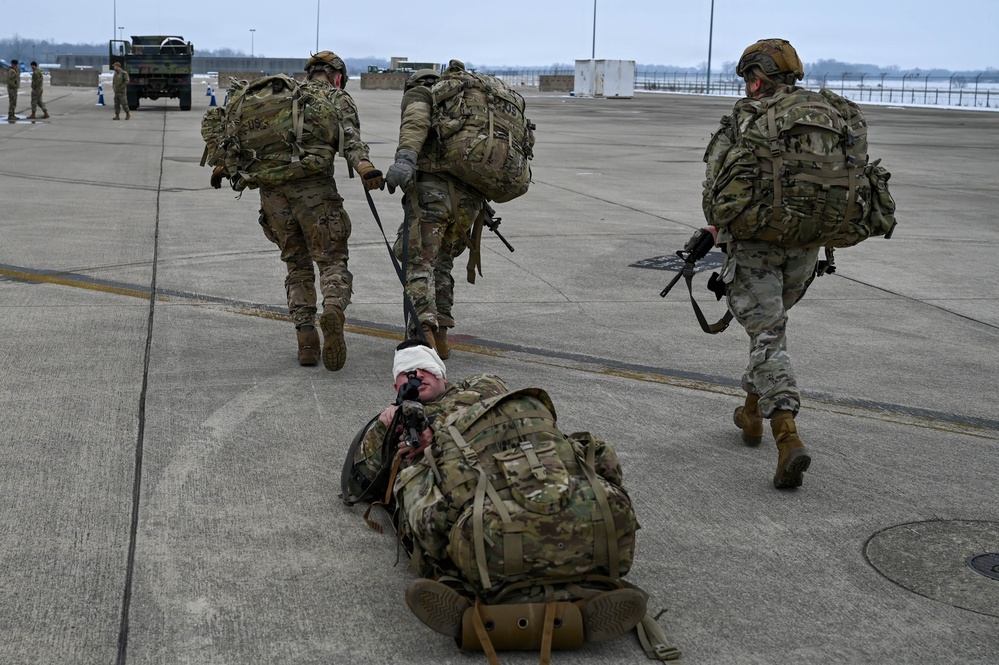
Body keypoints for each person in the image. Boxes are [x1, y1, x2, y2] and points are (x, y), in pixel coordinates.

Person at [343, 341, 654, 657]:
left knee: (590, 461)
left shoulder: (481, 385)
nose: (416, 375)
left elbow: (511, 411)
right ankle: (576, 595)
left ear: (442, 375)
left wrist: (436, 431)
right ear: (395, 385)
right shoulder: (396, 421)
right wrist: (389, 429)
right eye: (405, 374)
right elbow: (357, 484)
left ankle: (482, 605)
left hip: (524, 465)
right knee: (430, 505)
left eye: (424, 368)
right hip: (476, 491)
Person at [212, 51, 383, 370]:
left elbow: (234, 141)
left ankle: (306, 340)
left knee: (296, 263)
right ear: (337, 76)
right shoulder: (336, 97)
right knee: (332, 260)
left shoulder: (285, 98)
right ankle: (332, 309)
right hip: (315, 191)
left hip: (272, 195)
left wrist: (223, 167)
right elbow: (352, 142)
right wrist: (365, 168)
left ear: (309, 73)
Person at [701, 38, 817, 489]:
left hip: (754, 248)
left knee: (768, 335)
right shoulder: (820, 118)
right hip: (806, 249)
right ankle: (749, 415)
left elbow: (716, 190)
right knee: (770, 329)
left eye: (750, 78)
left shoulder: (746, 120)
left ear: (756, 78)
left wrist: (716, 227)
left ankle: (787, 434)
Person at [384, 63, 487, 359]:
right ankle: (441, 335)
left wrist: (404, 160)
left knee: (418, 262)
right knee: (442, 265)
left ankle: (422, 335)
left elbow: (415, 124)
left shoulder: (422, 96)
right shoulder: (462, 105)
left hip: (433, 199)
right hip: (467, 205)